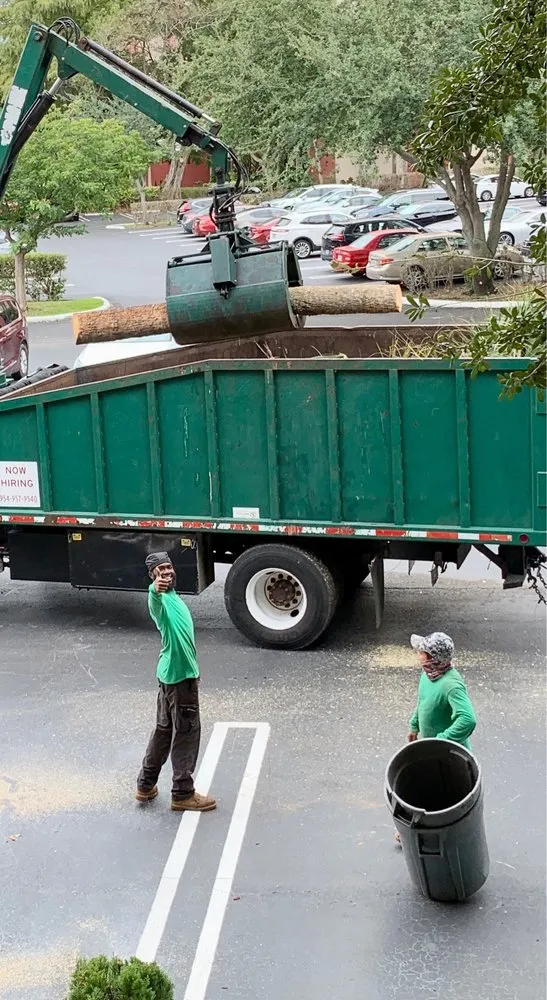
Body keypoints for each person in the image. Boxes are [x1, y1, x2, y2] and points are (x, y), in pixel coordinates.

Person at [136, 551, 216, 812]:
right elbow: (154, 603)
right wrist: (154, 590)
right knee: (187, 733)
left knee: (163, 730)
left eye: (169, 568)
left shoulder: (173, 597)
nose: (167, 573)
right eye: (161, 570)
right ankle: (183, 793)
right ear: (152, 575)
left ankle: (145, 785)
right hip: (180, 680)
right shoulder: (159, 598)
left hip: (171, 675)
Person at [407, 632, 476, 749]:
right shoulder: (428, 674)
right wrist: (414, 725)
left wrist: (441, 740)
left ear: (432, 659)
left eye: (421, 652)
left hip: (449, 751)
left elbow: (468, 720)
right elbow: (423, 700)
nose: (417, 654)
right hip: (432, 746)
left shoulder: (451, 686)